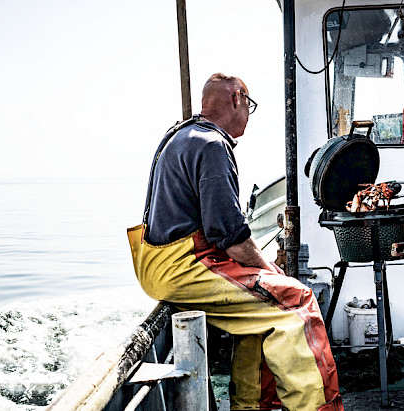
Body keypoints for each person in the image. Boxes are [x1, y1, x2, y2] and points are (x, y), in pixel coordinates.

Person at [127, 73, 343, 411]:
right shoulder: (212, 145)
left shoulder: (179, 136)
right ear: (236, 98)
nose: (248, 115)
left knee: (260, 314)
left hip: (157, 264)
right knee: (296, 302)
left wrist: (264, 275)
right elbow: (231, 237)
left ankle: (250, 407)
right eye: (248, 105)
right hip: (184, 265)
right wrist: (272, 271)